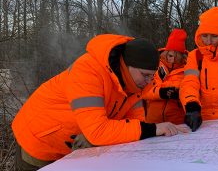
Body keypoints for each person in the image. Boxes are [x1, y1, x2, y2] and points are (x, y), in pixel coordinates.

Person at [12, 34, 187, 170]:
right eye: (145, 75)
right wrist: (155, 128)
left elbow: (134, 126)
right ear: (127, 65)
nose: (149, 82)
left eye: (152, 76)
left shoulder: (134, 86)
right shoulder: (87, 71)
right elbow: (98, 131)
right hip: (40, 145)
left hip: (73, 151)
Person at [142, 29, 189, 124]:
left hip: (177, 120)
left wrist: (180, 94)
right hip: (154, 118)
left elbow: (193, 92)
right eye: (170, 56)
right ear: (166, 53)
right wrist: (160, 92)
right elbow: (143, 91)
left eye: (177, 57)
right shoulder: (154, 66)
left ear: (182, 56)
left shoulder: (188, 69)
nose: (173, 60)